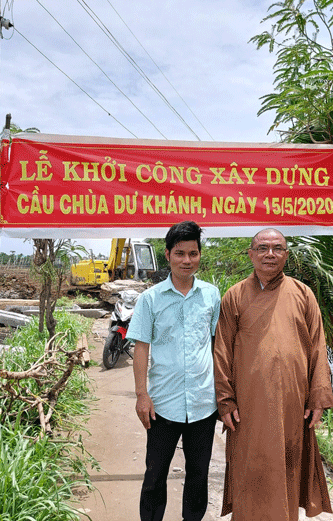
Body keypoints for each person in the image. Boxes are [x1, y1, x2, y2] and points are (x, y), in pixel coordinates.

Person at [214, 228, 333, 521]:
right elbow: (221, 350)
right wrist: (225, 401)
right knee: (249, 471)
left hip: (293, 406)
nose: (270, 253)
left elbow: (318, 346)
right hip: (248, 407)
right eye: (263, 247)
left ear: (286, 255)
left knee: (288, 470)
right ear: (251, 254)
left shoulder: (303, 294)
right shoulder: (235, 295)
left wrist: (318, 398)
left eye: (277, 248)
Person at [126, 220, 221, 521]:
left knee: (198, 476)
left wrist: (224, 395)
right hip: (162, 405)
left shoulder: (211, 295)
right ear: (167, 255)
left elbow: (217, 344)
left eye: (193, 253)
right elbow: (141, 348)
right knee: (155, 476)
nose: (187, 260)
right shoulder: (150, 299)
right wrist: (142, 395)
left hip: (204, 404)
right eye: (180, 253)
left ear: (199, 255)